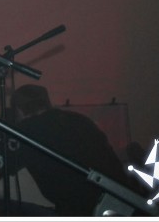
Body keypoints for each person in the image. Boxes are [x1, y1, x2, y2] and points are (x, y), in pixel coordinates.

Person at [8, 84, 129, 216]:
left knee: (4, 206)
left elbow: (4, 165)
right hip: (122, 200)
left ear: (18, 110)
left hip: (81, 209)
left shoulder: (26, 131)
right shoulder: (80, 120)